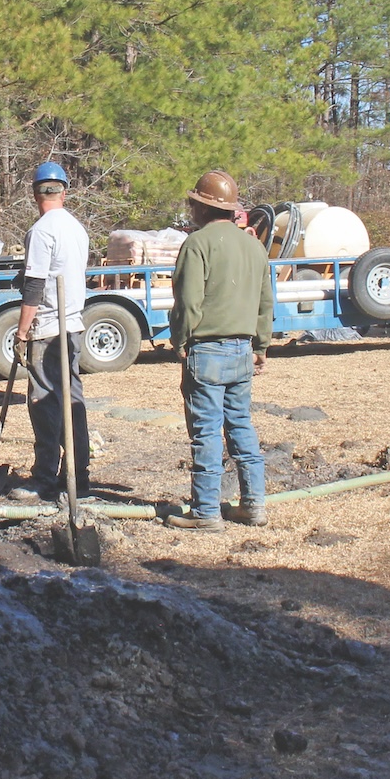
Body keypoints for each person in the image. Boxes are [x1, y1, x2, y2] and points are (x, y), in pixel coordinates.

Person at [164, 171, 273, 530]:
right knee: (241, 424)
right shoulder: (254, 247)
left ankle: (206, 511)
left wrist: (179, 340)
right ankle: (253, 505)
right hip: (242, 351)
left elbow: (188, 304)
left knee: (207, 432)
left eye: (193, 202)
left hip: (206, 352)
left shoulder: (197, 245)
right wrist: (261, 345)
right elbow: (264, 302)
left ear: (202, 206)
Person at [12, 161, 91, 500]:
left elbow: (34, 287)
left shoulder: (42, 231)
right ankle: (78, 475)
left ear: (35, 194)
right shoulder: (77, 229)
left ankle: (44, 478)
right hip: (72, 326)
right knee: (72, 400)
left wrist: (21, 332)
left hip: (47, 329)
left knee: (44, 401)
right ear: (64, 192)